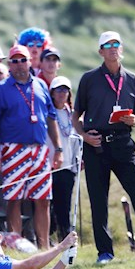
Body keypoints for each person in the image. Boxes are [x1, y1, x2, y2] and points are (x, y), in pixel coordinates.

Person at [73, 31, 135, 262]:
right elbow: (76, 116)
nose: (112, 48)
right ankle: (105, 252)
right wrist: (84, 136)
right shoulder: (89, 79)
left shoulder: (133, 79)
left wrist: (133, 120)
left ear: (121, 48)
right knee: (99, 200)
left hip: (123, 143)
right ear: (100, 51)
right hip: (96, 144)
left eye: (116, 44)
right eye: (107, 45)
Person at [0, 44, 63, 250]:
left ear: (30, 62)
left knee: (43, 198)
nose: (19, 64)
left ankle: (44, 247)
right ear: (9, 64)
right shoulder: (0, 89)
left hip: (40, 149)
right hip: (12, 149)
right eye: (15, 61)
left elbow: (51, 118)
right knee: (14, 199)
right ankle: (17, 246)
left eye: (23, 60)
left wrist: (58, 149)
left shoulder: (40, 85)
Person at [48, 76, 82, 241]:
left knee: (64, 206)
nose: (62, 93)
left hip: (69, 167)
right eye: (58, 90)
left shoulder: (73, 115)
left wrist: (80, 158)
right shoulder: (48, 113)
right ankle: (47, 238)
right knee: (49, 205)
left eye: (65, 90)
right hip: (50, 166)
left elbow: (77, 139)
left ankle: (65, 239)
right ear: (52, 93)